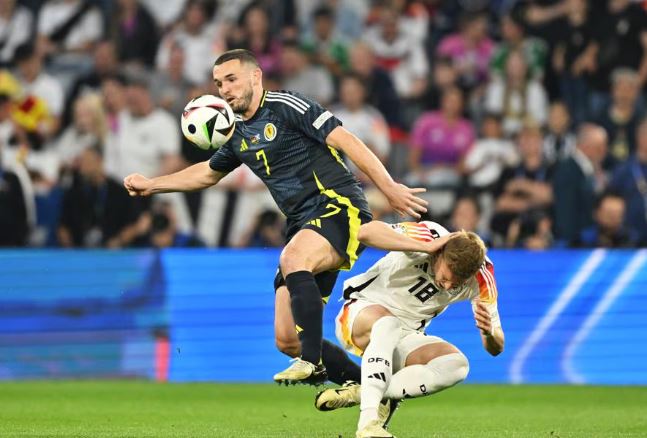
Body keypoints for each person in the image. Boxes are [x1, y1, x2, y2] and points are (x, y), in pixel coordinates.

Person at [123, 49, 428, 385]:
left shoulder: (287, 106)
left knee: (293, 258)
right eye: (218, 83)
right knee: (287, 339)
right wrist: (153, 185)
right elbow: (208, 174)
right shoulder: (236, 132)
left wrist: (388, 187)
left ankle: (312, 363)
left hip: (337, 204)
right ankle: (372, 388)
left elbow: (347, 140)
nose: (224, 89)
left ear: (256, 76)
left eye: (231, 79)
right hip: (301, 223)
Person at [314, 222, 504, 438]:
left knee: (458, 366)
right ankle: (368, 424)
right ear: (439, 254)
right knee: (388, 324)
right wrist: (425, 247)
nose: (449, 287)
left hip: (406, 335)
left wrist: (489, 332)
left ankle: (363, 391)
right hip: (362, 314)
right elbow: (365, 232)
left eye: (458, 283)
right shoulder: (427, 236)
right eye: (446, 277)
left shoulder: (482, 277)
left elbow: (497, 347)